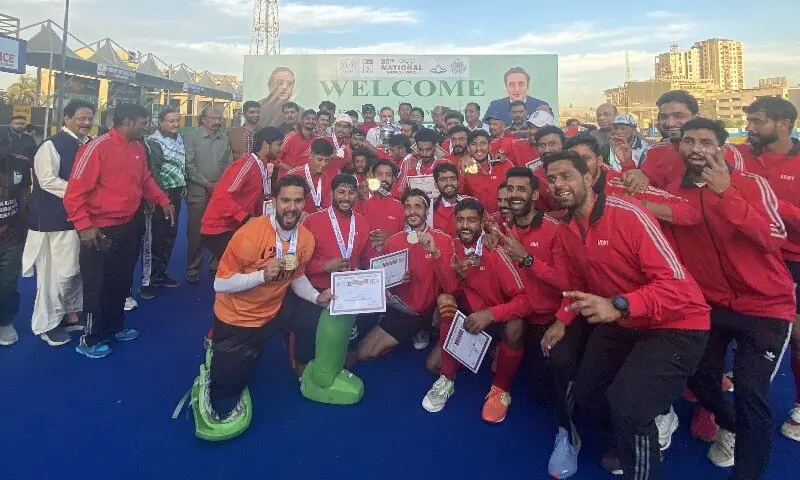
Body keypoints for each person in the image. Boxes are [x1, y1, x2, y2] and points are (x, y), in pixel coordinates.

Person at [542, 150, 710, 479]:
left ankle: (642, 441)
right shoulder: (567, 228)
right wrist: (562, 319)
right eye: (552, 178)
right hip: (622, 321)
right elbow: (575, 282)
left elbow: (678, 286)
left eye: (566, 176)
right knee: (589, 393)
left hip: (676, 323)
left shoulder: (628, 214)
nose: (558, 183)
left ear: (589, 178)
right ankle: (638, 428)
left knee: (628, 408)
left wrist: (618, 304)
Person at [662, 118, 795, 478]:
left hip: (765, 307)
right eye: (689, 141)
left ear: (721, 147)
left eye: (706, 141)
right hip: (712, 305)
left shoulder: (750, 184)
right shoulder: (676, 190)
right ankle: (730, 423)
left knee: (752, 393)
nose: (696, 148)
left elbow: (772, 238)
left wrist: (726, 192)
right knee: (700, 378)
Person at [194, 175, 327, 438]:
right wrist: (261, 276)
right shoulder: (249, 234)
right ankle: (217, 346)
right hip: (238, 318)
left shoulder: (306, 239)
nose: (291, 207)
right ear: (274, 201)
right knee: (225, 392)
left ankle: (300, 363)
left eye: (297, 201)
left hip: (275, 309)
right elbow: (220, 284)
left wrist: (315, 297)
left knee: (314, 312)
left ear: (304, 204)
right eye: (285, 200)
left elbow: (297, 275)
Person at [64, 104, 176, 359]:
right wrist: (84, 226)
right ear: (127, 122)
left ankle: (115, 326)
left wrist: (162, 199)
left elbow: (145, 179)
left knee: (122, 279)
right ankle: (90, 338)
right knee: (97, 285)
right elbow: (73, 193)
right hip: (99, 229)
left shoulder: (137, 148)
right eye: (143, 122)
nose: (146, 127)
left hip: (129, 225)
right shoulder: (97, 147)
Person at [489, 167, 575, 478]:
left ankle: (569, 434)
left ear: (535, 195)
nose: (513, 194)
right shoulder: (502, 226)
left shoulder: (555, 230)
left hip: (550, 319)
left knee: (546, 394)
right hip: (517, 314)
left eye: (521, 189)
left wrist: (527, 259)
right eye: (509, 188)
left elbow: (567, 281)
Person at [422, 198, 530, 423]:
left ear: (482, 222)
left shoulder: (495, 250)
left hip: (496, 318)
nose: (465, 226)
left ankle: (500, 389)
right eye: (460, 220)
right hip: (472, 318)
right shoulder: (453, 246)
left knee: (516, 327)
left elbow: (525, 301)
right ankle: (447, 380)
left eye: (471, 220)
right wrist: (436, 256)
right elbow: (451, 288)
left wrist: (491, 314)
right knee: (445, 302)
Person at [734, 97, 800, 442]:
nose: (750, 128)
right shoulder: (740, 155)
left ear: (783, 125)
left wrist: (769, 203)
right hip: (747, 255)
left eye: (758, 122)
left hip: (792, 259)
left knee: (796, 336)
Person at [23, 100, 94, 346]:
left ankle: (70, 315)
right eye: (81, 118)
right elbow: (47, 180)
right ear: (66, 119)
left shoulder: (88, 145)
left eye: (89, 118)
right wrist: (84, 192)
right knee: (53, 274)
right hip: (53, 222)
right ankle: (47, 324)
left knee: (73, 271)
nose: (86, 122)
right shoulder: (51, 145)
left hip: (79, 220)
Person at [353, 189, 455, 362]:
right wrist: (394, 282)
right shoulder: (393, 241)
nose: (412, 211)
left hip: (431, 310)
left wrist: (436, 254)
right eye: (408, 207)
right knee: (364, 353)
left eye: (418, 206)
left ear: (426, 210)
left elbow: (451, 287)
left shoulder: (443, 240)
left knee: (446, 302)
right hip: (403, 311)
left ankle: (427, 329)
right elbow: (384, 283)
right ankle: (411, 332)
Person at [299, 174, 379, 372]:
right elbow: (298, 263)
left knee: (362, 325)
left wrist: (382, 271)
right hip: (317, 289)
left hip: (350, 290)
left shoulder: (362, 223)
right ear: (331, 193)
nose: (346, 197)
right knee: (308, 328)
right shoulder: (312, 221)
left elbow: (368, 259)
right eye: (341, 192)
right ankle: (301, 366)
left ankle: (344, 357)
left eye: (351, 192)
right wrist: (324, 266)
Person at [621, 91, 743, 191]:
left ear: (696, 116)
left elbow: (738, 197)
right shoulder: (655, 151)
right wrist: (632, 171)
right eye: (664, 117)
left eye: (679, 116)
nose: (670, 123)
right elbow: (643, 188)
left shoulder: (726, 152)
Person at [201, 127, 285, 260]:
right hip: (219, 228)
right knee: (242, 267)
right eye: (279, 144)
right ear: (265, 145)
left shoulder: (262, 165)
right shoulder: (246, 164)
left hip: (235, 226)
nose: (281, 149)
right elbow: (222, 197)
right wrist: (245, 218)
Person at [140, 107, 186, 299]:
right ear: (161, 122)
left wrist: (182, 183)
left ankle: (161, 275)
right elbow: (154, 173)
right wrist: (160, 197)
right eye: (170, 121)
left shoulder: (179, 138)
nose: (175, 124)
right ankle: (147, 282)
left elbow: (180, 163)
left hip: (176, 193)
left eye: (177, 120)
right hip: (160, 197)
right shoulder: (153, 142)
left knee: (169, 236)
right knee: (154, 239)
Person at [185, 106, 233, 284]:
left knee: (219, 230)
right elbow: (188, 165)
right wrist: (206, 183)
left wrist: (220, 185)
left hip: (219, 193)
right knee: (196, 234)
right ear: (203, 119)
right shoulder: (191, 137)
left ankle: (215, 265)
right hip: (197, 192)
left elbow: (229, 163)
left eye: (219, 118)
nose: (217, 121)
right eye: (213, 118)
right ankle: (192, 269)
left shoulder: (224, 138)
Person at [0, 126, 32, 346]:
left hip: (10, 237)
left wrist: (26, 232)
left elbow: (25, 199)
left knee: (7, 283)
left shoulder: (19, 164)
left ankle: (4, 322)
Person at [353, 159, 405, 248]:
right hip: (366, 258)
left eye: (388, 175)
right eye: (379, 174)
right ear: (373, 178)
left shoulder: (400, 206)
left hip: (391, 258)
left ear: (393, 179)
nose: (384, 178)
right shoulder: (363, 203)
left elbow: (407, 235)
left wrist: (389, 239)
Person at [461, 130, 514, 214]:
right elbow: (461, 196)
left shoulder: (504, 164)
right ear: (468, 148)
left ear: (489, 146)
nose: (479, 148)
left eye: (483, 143)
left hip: (507, 217)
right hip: (480, 220)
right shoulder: (464, 168)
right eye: (474, 144)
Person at [286, 138, 335, 214]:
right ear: (310, 156)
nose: (323, 164)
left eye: (326, 160)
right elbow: (282, 200)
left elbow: (327, 206)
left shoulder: (327, 180)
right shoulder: (293, 174)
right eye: (319, 159)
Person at [276, 109, 317, 175]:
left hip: (306, 179)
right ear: (302, 120)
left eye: (314, 119)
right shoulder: (291, 136)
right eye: (308, 118)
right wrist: (292, 170)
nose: (311, 121)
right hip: (287, 178)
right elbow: (276, 157)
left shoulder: (317, 140)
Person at [431, 163, 466, 237]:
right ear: (436, 185)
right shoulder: (429, 209)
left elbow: (491, 226)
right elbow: (412, 233)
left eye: (453, 179)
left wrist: (490, 234)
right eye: (443, 180)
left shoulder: (472, 202)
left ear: (458, 181)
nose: (449, 183)